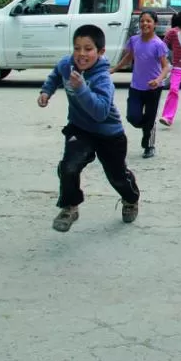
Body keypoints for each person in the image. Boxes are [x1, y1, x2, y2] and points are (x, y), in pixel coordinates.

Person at [38, 25, 140, 232]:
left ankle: (130, 199)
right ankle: (69, 207)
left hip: (109, 134)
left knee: (117, 177)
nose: (81, 54)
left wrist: (82, 89)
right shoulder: (67, 64)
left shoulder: (102, 79)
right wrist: (47, 91)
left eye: (88, 49)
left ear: (100, 52)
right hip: (79, 129)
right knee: (69, 167)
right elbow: (56, 74)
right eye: (77, 48)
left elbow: (101, 113)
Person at [111, 11, 170, 159]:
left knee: (150, 118)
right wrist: (114, 69)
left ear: (155, 24)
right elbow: (128, 57)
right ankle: (147, 126)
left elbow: (165, 67)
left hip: (154, 88)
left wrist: (158, 80)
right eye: (142, 21)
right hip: (136, 86)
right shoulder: (134, 40)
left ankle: (149, 146)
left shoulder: (158, 44)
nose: (145, 24)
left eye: (148, 21)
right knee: (132, 116)